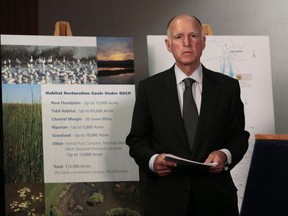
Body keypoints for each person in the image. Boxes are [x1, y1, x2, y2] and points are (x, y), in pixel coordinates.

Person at [126, 14, 250, 216]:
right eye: (178, 37)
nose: (186, 43)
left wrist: (224, 155)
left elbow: (239, 137)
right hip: (165, 202)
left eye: (193, 36)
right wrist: (153, 160)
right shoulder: (149, 89)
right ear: (168, 44)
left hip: (216, 203)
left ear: (203, 42)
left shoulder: (228, 87)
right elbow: (137, 140)